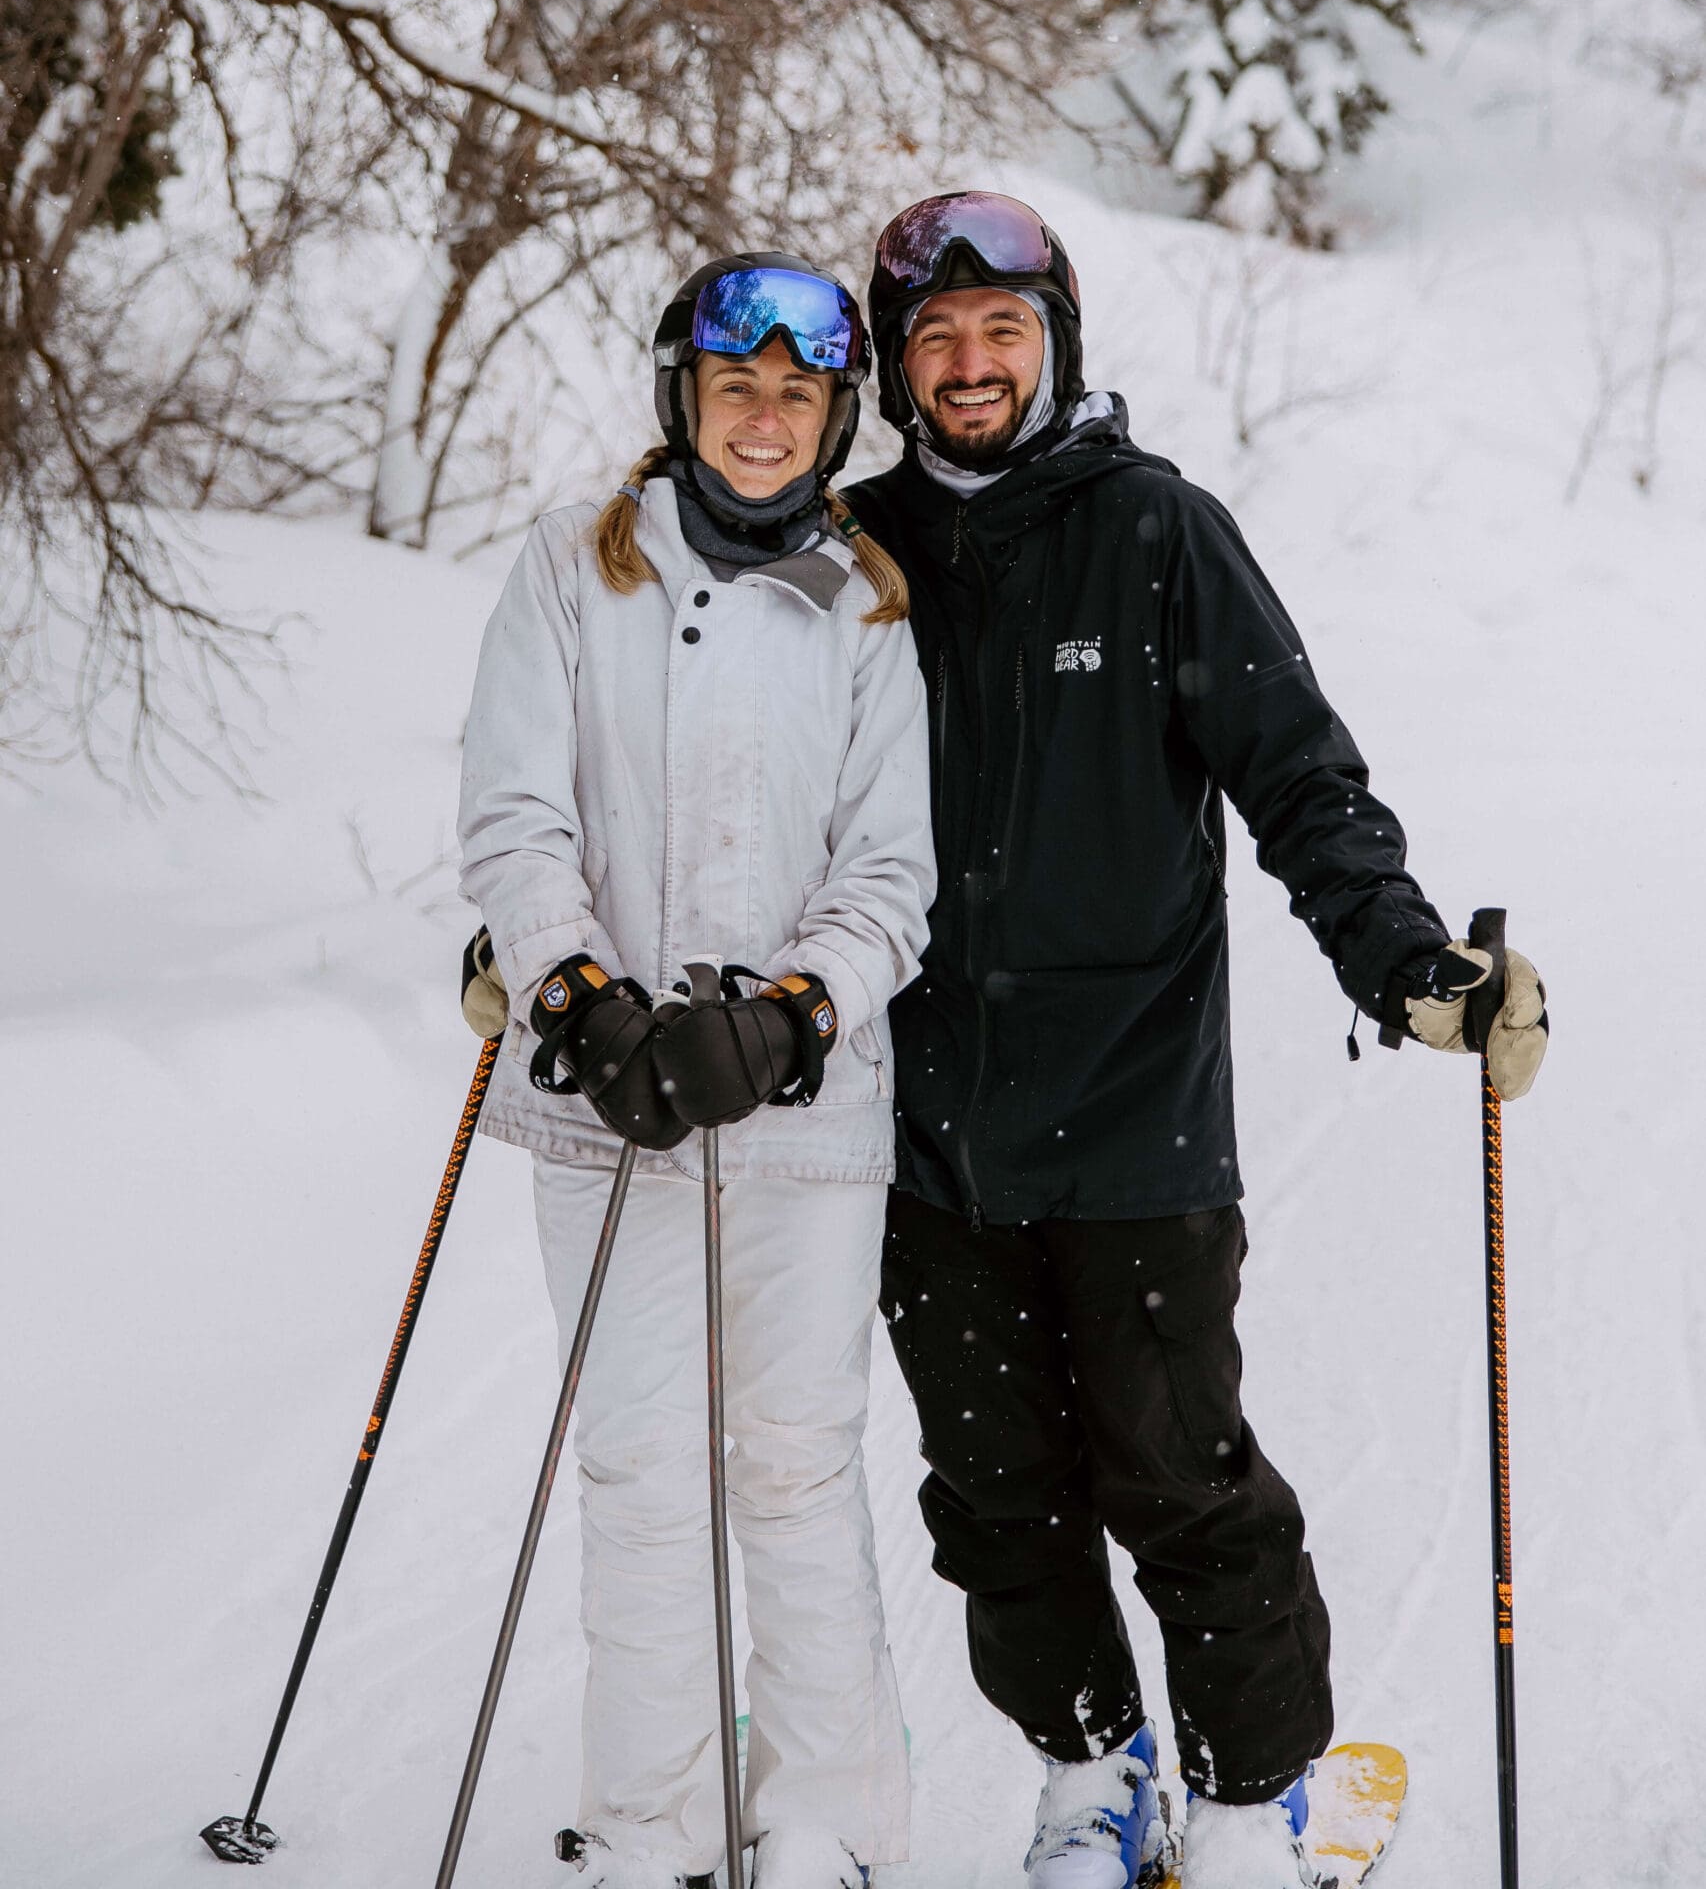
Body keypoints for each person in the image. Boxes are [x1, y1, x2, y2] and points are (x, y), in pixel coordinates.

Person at [845, 192, 1549, 1889]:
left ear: (1053, 341)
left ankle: (1249, 1799)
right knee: (992, 1493)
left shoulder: (1157, 529)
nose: (967, 364)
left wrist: (1405, 962)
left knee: (1178, 1475)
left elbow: (1298, 776)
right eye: (933, 336)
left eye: (999, 331)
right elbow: (711, 758)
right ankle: (1091, 1775)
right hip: (921, 1124)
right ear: (891, 364)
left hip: (1135, 1114)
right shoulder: (848, 549)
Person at [457, 256, 935, 1889]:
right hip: (602, 1115)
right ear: (682, 399)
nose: (763, 416)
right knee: (639, 1470)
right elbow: (513, 814)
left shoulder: (870, 602)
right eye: (736, 386)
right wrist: (572, 992)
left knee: (794, 1470)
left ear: (832, 417)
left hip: (803, 1128)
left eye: (797, 394)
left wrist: (794, 1013)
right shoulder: (569, 570)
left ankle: (826, 1824)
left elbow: (892, 875)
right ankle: (649, 1824)